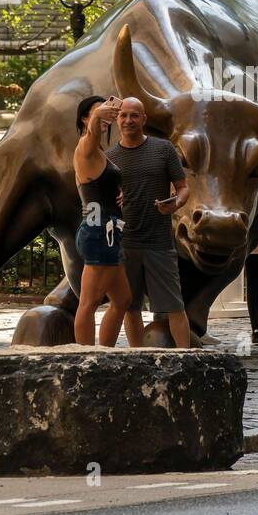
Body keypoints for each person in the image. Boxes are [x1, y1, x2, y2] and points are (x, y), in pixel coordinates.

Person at [106, 97, 190, 348]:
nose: (128, 120)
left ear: (143, 119)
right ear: (117, 119)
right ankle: (137, 357)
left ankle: (187, 359)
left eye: (134, 115)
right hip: (125, 242)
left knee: (174, 305)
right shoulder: (109, 158)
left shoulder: (163, 150)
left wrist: (175, 203)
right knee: (130, 307)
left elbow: (183, 188)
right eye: (123, 115)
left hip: (160, 242)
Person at [72, 95, 133, 347]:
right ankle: (84, 358)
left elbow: (101, 186)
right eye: (100, 112)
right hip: (98, 233)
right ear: (86, 117)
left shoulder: (97, 152)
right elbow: (95, 128)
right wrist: (101, 113)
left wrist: (118, 194)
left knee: (123, 300)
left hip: (107, 232)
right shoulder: (86, 144)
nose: (108, 116)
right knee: (89, 302)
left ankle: (103, 353)